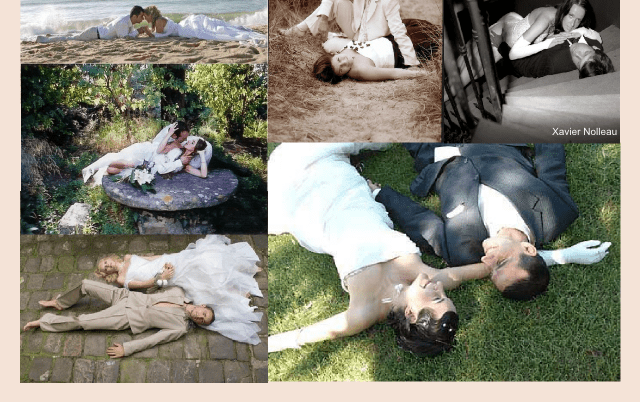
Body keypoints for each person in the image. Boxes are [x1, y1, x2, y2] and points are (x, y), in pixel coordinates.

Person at [268, 143, 490, 355]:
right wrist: (503, 258)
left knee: (296, 156)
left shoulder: (366, 311)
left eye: (438, 298)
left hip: (311, 207)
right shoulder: (426, 277)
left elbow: (307, 334)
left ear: (411, 314)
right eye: (445, 295)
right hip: (346, 186)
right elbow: (472, 272)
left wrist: (271, 344)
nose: (440, 287)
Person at [374, 144, 611, 300]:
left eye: (490, 269)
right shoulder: (556, 212)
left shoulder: (462, 252)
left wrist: (381, 194)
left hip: (437, 153)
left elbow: (423, 224)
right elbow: (552, 164)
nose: (487, 260)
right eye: (500, 263)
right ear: (529, 249)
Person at [95, 234, 263, 345]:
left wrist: (168, 258)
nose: (108, 265)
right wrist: (162, 277)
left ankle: (243, 269)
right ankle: (235, 292)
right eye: (105, 268)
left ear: (109, 258)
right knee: (198, 278)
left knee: (202, 258)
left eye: (106, 262)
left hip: (167, 262)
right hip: (163, 276)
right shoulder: (121, 279)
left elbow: (148, 259)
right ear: (107, 273)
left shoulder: (128, 257)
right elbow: (145, 285)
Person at [281, 0, 420, 68]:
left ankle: (334, 39)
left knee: (330, 45)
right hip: (354, 31)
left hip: (370, 43)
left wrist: (411, 62)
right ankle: (299, 30)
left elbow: (399, 31)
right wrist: (323, 18)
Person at [23, 279, 214, 358]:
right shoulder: (178, 291)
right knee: (85, 284)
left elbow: (154, 340)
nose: (200, 317)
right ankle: (60, 303)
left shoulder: (180, 328)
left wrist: (127, 348)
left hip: (126, 317)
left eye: (203, 321)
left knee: (84, 322)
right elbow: (152, 289)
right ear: (202, 306)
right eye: (203, 314)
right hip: (126, 296)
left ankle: (45, 322)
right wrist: (159, 277)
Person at [458, 0, 613, 81]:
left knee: (465, 69)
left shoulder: (566, 26)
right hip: (500, 37)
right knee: (464, 77)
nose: (574, 24)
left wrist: (580, 36)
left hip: (511, 26)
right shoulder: (548, 18)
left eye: (578, 20)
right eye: (572, 16)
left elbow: (592, 35)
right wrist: (548, 44)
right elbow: (513, 54)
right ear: (564, 10)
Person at [81, 121, 211, 184]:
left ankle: (101, 167)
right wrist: (170, 137)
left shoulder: (185, 163)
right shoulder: (178, 146)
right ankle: (90, 169)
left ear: (193, 150)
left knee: (112, 170)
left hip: (149, 166)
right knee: (126, 161)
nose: (189, 140)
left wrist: (200, 155)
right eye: (187, 138)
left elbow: (203, 174)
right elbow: (160, 152)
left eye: (192, 142)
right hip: (147, 157)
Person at [313, 18, 439, 83]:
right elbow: (393, 74)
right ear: (342, 75)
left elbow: (330, 39)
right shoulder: (361, 71)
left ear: (334, 54)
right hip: (403, 51)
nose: (344, 63)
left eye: (339, 60)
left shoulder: (341, 50)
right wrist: (425, 74)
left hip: (391, 36)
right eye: (341, 69)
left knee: (424, 25)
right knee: (435, 35)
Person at [141, 5, 266, 46]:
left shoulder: (158, 21)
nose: (145, 19)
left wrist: (147, 32)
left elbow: (162, 36)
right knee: (213, 27)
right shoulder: (158, 20)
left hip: (183, 30)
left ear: (151, 15)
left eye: (146, 17)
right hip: (184, 24)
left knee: (209, 32)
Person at [35, 6, 149, 43]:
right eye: (141, 16)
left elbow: (128, 34)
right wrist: (138, 31)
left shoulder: (127, 21)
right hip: (94, 34)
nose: (143, 18)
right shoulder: (124, 23)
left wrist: (137, 31)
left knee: (75, 35)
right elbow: (124, 38)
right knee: (71, 38)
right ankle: (43, 39)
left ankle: (50, 35)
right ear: (134, 16)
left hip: (96, 31)